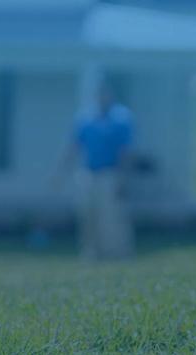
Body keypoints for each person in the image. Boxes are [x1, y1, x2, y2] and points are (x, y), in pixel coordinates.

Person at [55, 87, 135, 261]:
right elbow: (74, 147)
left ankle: (117, 254)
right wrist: (60, 173)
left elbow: (125, 152)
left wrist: (124, 177)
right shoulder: (85, 119)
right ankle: (91, 253)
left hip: (111, 174)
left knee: (111, 217)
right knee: (87, 215)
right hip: (88, 174)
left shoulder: (121, 119)